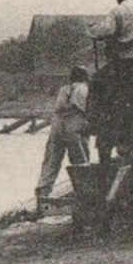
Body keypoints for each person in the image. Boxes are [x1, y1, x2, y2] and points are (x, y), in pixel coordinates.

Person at [34, 66, 91, 217]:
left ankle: (42, 196)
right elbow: (86, 109)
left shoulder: (63, 89)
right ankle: (85, 197)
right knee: (81, 163)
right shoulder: (85, 89)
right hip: (75, 123)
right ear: (85, 77)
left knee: (51, 161)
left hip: (58, 124)